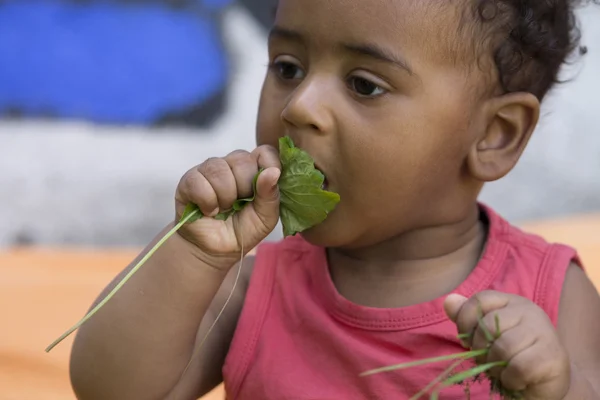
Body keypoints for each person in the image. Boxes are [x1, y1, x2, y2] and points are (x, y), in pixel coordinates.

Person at [68, 0, 600, 399]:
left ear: (495, 135)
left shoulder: (552, 294)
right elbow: (109, 389)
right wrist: (194, 252)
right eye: (287, 68)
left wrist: (558, 384)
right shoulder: (252, 288)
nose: (299, 106)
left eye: (365, 85)